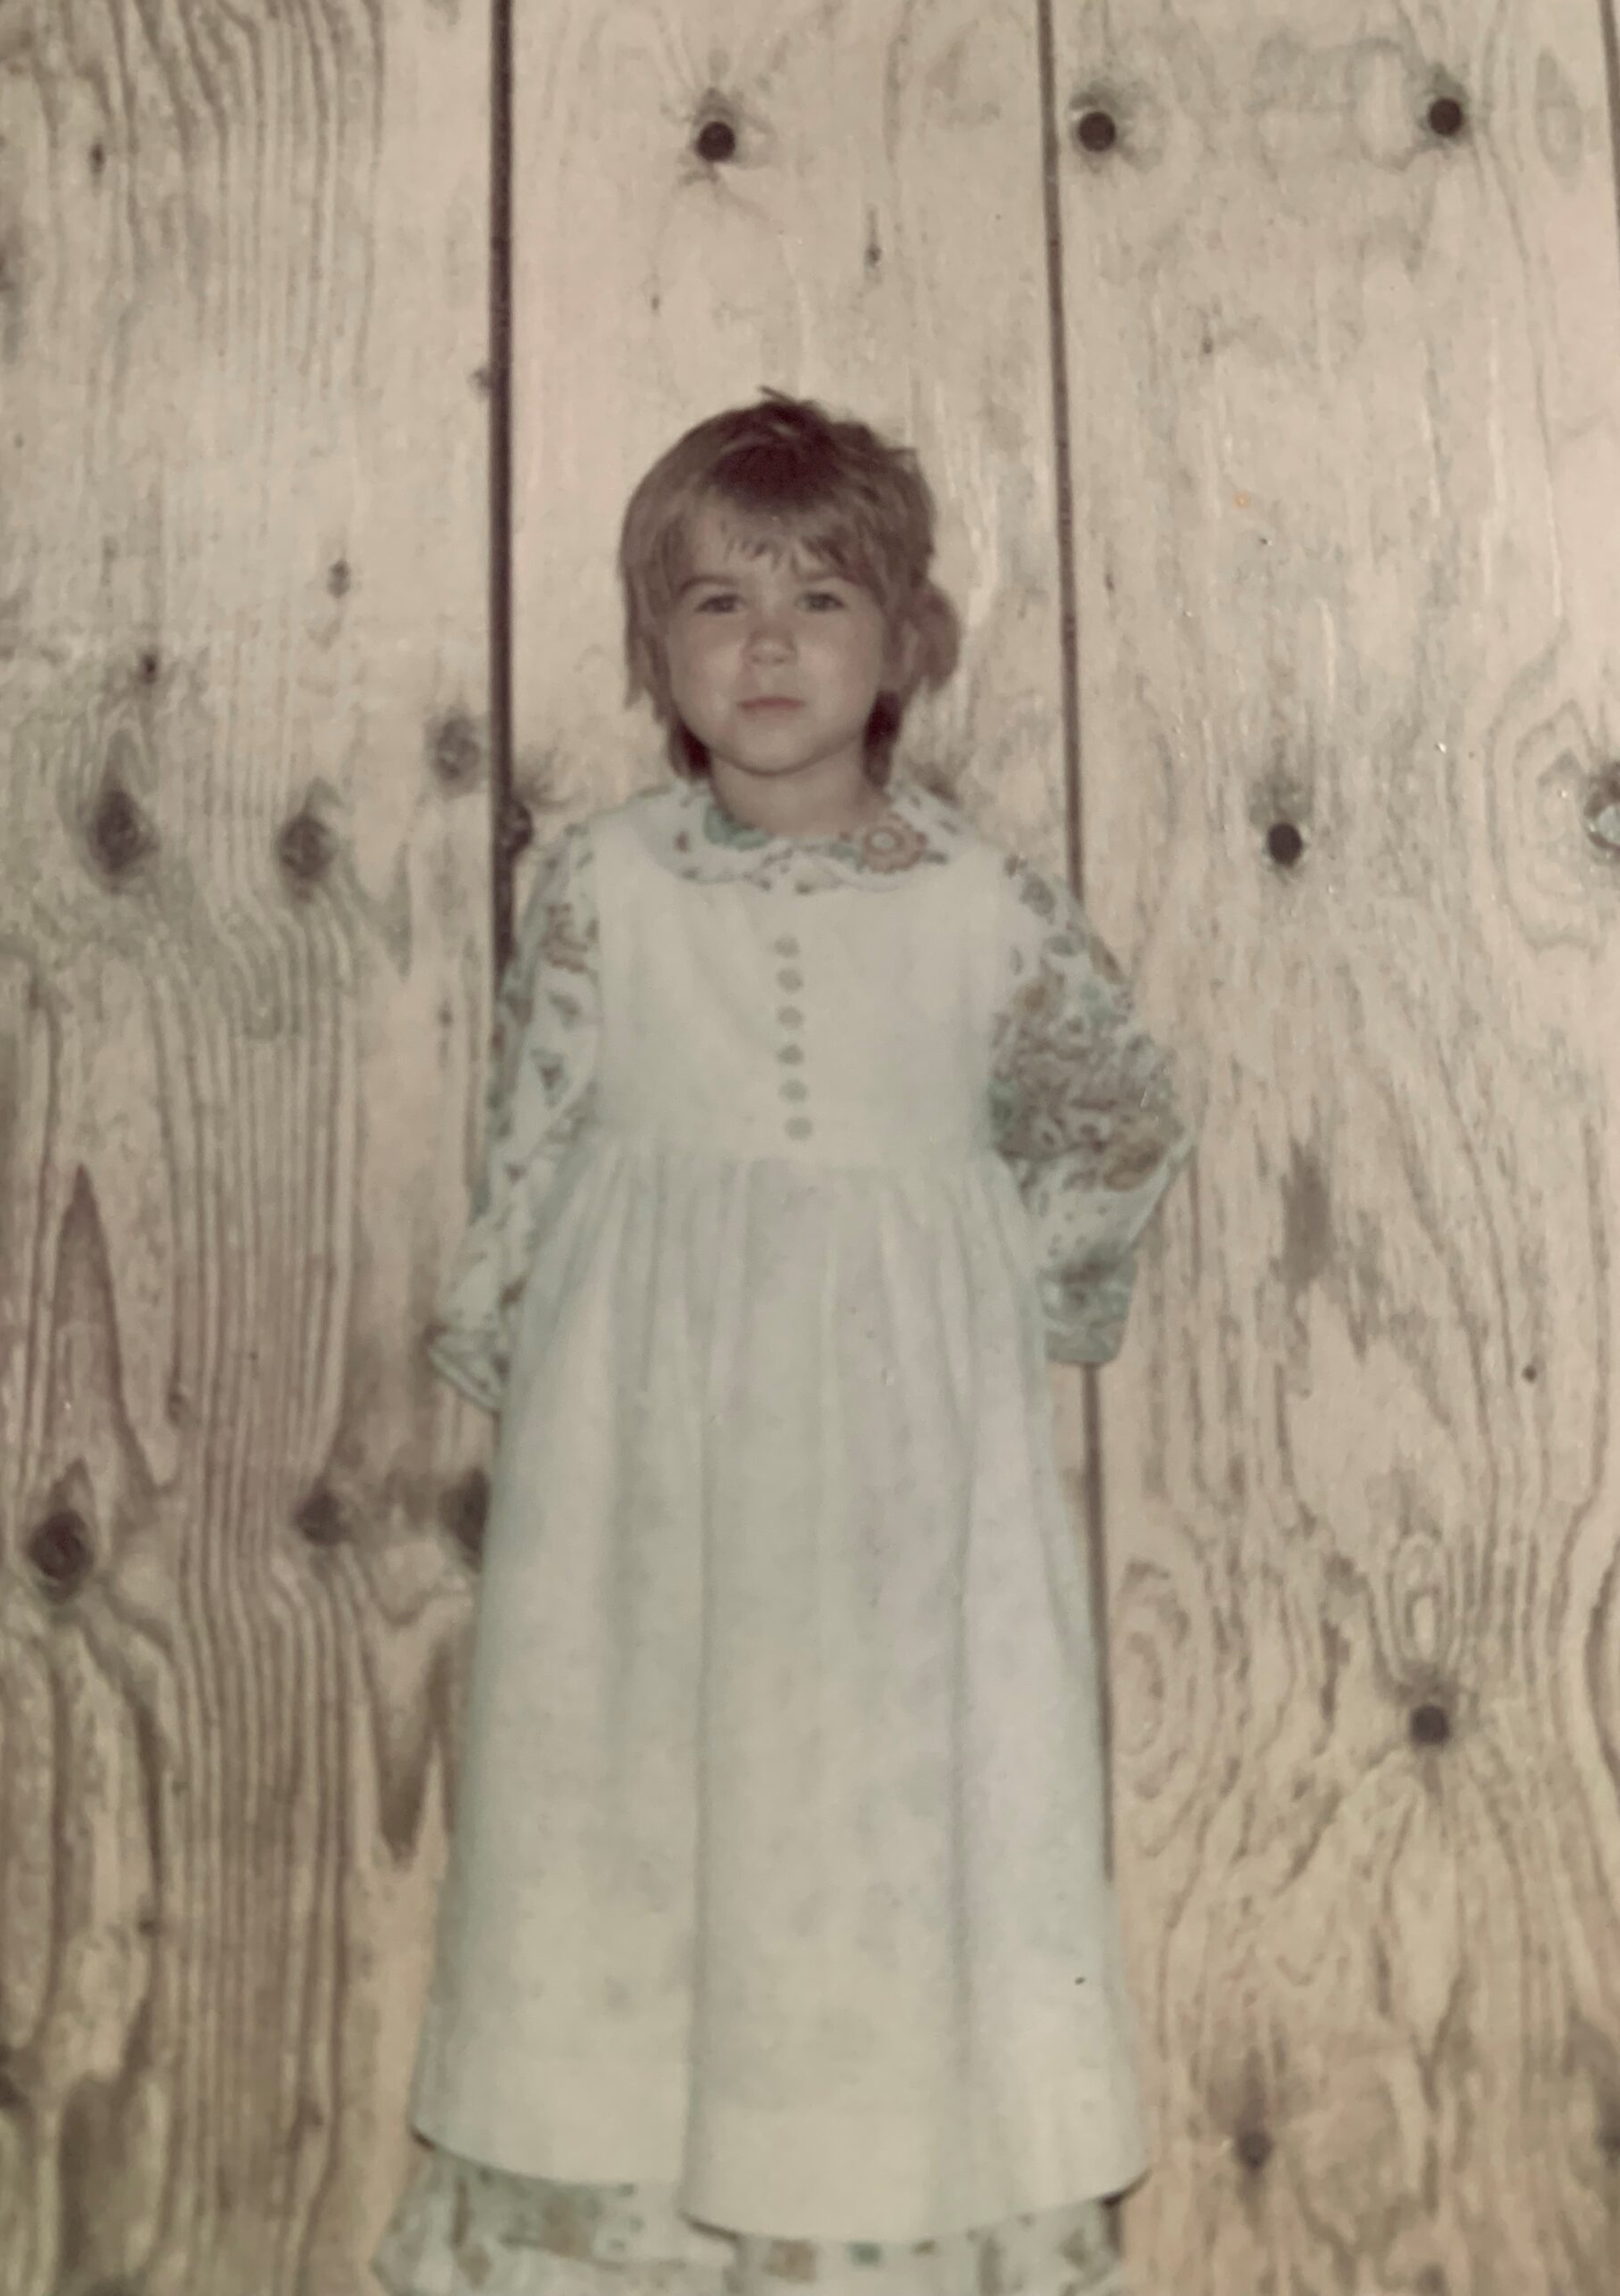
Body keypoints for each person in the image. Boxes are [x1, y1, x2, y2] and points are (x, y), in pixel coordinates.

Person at [374, 392, 1198, 2296]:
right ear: (654, 649)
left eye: (820, 598)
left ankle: (873, 2220)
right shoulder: (600, 885)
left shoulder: (984, 908)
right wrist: (512, 1342)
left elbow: (1117, 1116)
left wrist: (1014, 1293)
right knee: (628, 1790)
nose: (765, 643)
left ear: (906, 642)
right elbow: (537, 1124)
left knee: (871, 1809)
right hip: (638, 1458)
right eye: (716, 601)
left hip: (902, 1478)